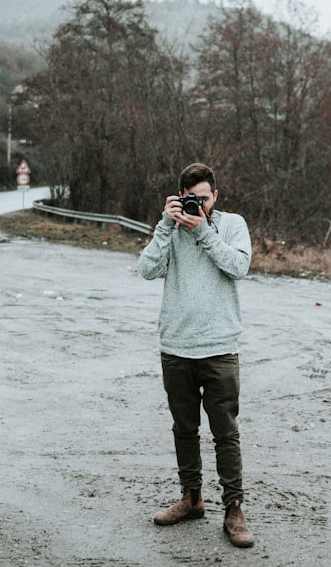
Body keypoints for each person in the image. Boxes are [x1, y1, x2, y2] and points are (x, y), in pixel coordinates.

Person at [137, 162, 255, 548]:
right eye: (191, 199)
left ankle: (233, 509)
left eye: (203, 199)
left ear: (215, 196)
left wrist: (203, 230)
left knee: (226, 433)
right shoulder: (170, 229)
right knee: (184, 429)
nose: (197, 206)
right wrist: (164, 226)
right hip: (176, 346)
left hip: (220, 346)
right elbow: (147, 270)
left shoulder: (232, 224)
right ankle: (191, 498)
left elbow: (238, 266)